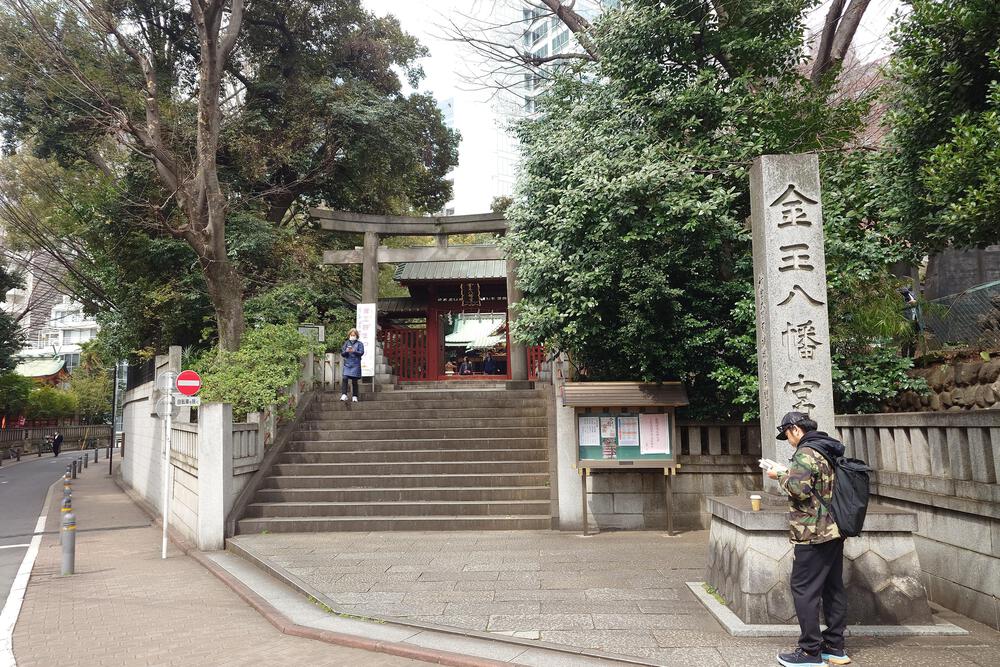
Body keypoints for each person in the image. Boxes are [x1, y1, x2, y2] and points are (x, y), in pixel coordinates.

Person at [768, 411, 850, 667]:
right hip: (835, 530)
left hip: (812, 532)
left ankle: (810, 651)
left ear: (795, 429)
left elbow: (800, 490)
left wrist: (779, 475)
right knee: (832, 587)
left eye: (787, 435)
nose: (789, 440)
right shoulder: (827, 449)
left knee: (804, 589)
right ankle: (834, 646)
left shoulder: (806, 452)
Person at [340, 329, 364, 403]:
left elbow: (361, 352)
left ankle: (355, 396)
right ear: (349, 335)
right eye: (351, 335)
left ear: (356, 336)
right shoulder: (346, 343)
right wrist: (346, 351)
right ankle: (344, 394)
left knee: (354, 380)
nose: (352, 336)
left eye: (354, 335)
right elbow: (342, 353)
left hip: (355, 364)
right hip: (347, 363)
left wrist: (354, 351)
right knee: (345, 378)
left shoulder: (360, 344)